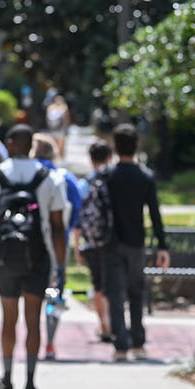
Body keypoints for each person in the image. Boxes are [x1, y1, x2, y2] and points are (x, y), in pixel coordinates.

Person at [0, 124, 68, 389]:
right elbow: (58, 227)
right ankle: (32, 383)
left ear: (10, 144)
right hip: (39, 258)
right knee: (33, 321)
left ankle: (8, 376)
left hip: (5, 259)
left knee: (9, 319)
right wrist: (60, 266)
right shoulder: (50, 179)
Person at [100, 124, 171, 362]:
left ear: (115, 146)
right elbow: (155, 213)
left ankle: (120, 345)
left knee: (116, 293)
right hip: (137, 242)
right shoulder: (145, 176)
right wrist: (163, 245)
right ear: (137, 145)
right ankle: (138, 342)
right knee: (136, 292)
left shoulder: (107, 176)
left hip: (112, 241)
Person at [31, 137, 81, 361]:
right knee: (54, 295)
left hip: (30, 246)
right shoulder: (65, 179)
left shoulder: (28, 176)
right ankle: (50, 341)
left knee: (31, 295)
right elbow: (77, 211)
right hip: (57, 248)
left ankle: (33, 340)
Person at [74, 140, 115, 342]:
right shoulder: (114, 181)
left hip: (91, 241)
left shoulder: (84, 185)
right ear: (110, 157)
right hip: (113, 241)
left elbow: (78, 218)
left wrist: (76, 245)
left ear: (91, 159)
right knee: (113, 284)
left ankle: (103, 324)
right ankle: (113, 322)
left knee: (98, 285)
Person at [45, 95, 72, 163]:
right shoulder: (64, 107)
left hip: (53, 129)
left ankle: (55, 159)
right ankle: (60, 159)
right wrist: (67, 128)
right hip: (61, 129)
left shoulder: (50, 108)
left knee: (54, 144)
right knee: (61, 145)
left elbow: (48, 119)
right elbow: (67, 119)